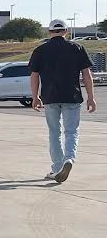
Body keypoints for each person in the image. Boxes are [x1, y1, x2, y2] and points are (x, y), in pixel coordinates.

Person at [29, 19, 97, 182]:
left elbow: (34, 75)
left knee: (54, 132)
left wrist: (35, 97)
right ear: (66, 31)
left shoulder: (40, 50)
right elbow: (87, 74)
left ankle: (58, 167)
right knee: (71, 131)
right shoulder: (77, 48)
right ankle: (69, 159)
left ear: (50, 32)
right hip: (72, 96)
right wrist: (91, 97)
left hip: (50, 97)